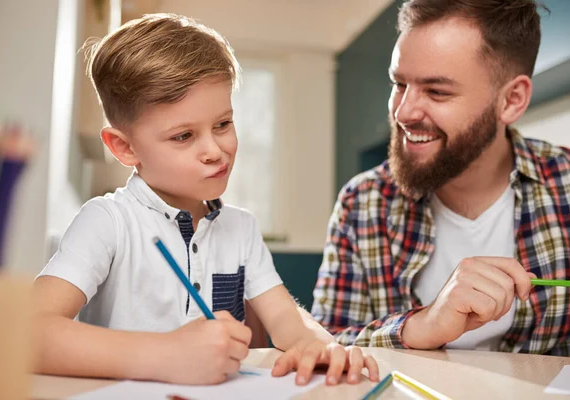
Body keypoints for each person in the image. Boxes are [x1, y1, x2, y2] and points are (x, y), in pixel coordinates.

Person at [33, 14, 380, 385]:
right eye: (184, 136)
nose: (216, 151)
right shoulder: (108, 221)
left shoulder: (241, 228)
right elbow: (25, 334)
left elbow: (286, 320)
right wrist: (166, 355)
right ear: (124, 147)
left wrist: (319, 345)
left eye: (223, 124)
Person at [312, 0, 570, 357]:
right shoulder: (362, 203)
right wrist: (419, 326)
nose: (404, 112)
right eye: (399, 84)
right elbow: (321, 346)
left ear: (512, 100)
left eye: (437, 91)